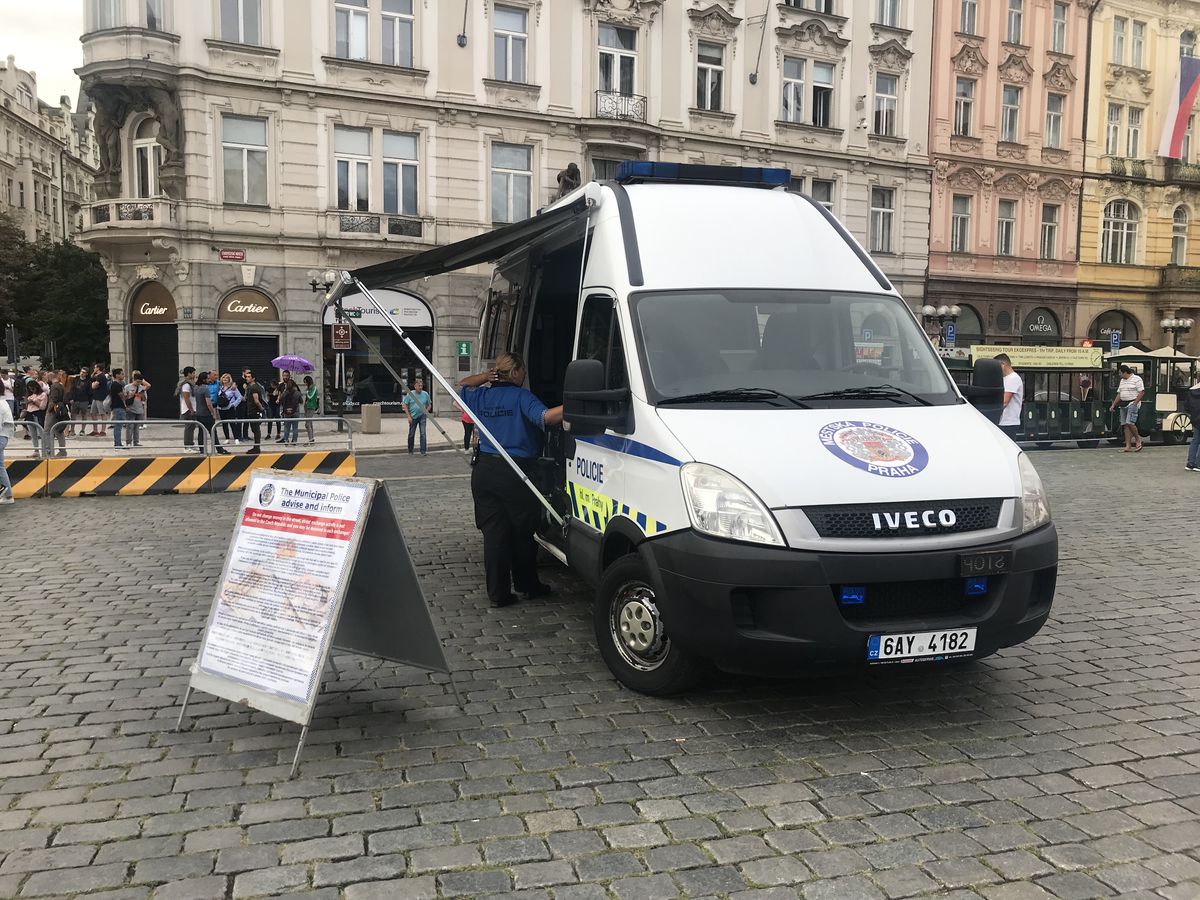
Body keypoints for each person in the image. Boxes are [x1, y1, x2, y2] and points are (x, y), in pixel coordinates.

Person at [458, 352, 563, 608]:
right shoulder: (521, 397)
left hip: (484, 471)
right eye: (522, 370)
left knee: (494, 535)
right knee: (522, 532)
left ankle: (498, 594)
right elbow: (545, 417)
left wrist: (485, 376)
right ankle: (527, 585)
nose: (524, 375)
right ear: (515, 372)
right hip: (516, 472)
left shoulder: (480, 396)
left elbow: (462, 385)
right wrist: (575, 405)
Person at [1110, 364, 1145, 452]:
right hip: (1123, 404)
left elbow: (1141, 392)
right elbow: (1119, 394)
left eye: (1120, 373)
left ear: (1125, 372)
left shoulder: (1137, 379)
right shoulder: (1122, 381)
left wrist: (1135, 403)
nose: (1119, 375)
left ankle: (1138, 440)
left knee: (1130, 422)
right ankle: (1128, 446)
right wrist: (1113, 405)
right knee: (1125, 425)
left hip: (1132, 403)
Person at [192, 371, 225, 455]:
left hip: (199, 413)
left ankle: (202, 449)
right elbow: (208, 403)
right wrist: (213, 413)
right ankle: (219, 449)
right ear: (204, 380)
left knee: (201, 432)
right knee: (213, 432)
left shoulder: (196, 388)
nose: (209, 380)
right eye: (207, 378)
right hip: (206, 414)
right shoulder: (205, 389)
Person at [994, 353, 1024, 441]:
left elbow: (1004, 402)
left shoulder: (1013, 378)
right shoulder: (1005, 379)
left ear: (1003, 364)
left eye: (996, 367)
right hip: (1003, 422)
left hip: (1008, 422)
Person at [42, 370, 68, 458]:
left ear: (51, 377)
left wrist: (48, 410)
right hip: (61, 410)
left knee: (47, 431)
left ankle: (49, 451)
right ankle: (62, 451)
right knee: (58, 431)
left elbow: (53, 400)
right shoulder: (61, 385)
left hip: (53, 411)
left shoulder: (54, 386)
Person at [403, 377, 431, 455]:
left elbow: (429, 404)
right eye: (419, 386)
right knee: (411, 433)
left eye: (421, 386)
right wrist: (408, 416)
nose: (420, 387)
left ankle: (423, 450)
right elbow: (405, 405)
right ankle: (410, 450)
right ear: (415, 386)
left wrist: (426, 411)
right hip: (413, 416)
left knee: (423, 433)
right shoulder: (410, 394)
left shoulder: (425, 394)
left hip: (422, 416)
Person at [242, 370, 267, 454]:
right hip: (251, 410)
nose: (247, 378)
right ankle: (256, 447)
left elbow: (256, 401)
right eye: (246, 377)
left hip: (254, 411)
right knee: (254, 429)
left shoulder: (254, 387)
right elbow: (245, 398)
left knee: (256, 429)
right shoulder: (250, 387)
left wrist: (262, 409)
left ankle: (257, 447)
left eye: (249, 377)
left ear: (253, 378)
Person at [216, 372, 242, 449]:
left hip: (229, 408)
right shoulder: (220, 388)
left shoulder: (233, 388)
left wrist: (233, 404)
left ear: (229, 379)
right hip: (221, 408)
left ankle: (236, 438)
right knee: (224, 424)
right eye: (223, 378)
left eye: (226, 378)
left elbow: (239, 397)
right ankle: (227, 438)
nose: (225, 379)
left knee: (232, 423)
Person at [177, 366, 200, 453]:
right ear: (189, 373)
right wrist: (191, 409)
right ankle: (187, 446)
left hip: (192, 408)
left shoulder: (191, 383)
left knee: (192, 427)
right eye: (193, 373)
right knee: (189, 427)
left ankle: (191, 444)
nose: (194, 375)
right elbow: (186, 398)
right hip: (188, 409)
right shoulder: (186, 385)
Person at [124, 371, 149, 446]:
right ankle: (128, 442)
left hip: (139, 409)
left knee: (136, 427)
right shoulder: (127, 387)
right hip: (130, 409)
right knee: (129, 426)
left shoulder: (142, 388)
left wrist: (142, 395)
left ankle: (136, 442)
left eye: (140, 382)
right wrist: (130, 397)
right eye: (137, 382)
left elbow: (144, 399)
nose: (138, 383)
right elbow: (124, 398)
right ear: (133, 380)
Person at [23, 380, 47, 455]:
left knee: (41, 433)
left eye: (33, 388)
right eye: (30, 389)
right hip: (29, 413)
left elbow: (43, 407)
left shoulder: (43, 394)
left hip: (38, 413)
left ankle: (45, 449)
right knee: (33, 434)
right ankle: (36, 450)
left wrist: (34, 402)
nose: (31, 390)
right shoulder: (30, 395)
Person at [108, 368, 130, 449]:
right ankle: (118, 444)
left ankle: (118, 443)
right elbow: (122, 397)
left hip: (116, 407)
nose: (123, 375)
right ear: (117, 375)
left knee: (118, 426)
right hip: (119, 407)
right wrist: (129, 395)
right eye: (122, 374)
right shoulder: (117, 385)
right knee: (119, 426)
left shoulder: (113, 384)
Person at [279, 374, 300, 444]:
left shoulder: (285, 393)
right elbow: (301, 401)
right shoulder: (297, 393)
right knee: (295, 427)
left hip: (286, 411)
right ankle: (294, 441)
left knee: (286, 427)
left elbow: (280, 400)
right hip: (296, 411)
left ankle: (286, 440)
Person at [1184, 378, 1200, 471]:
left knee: (1195, 440)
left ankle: (1190, 463)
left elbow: (1186, 406)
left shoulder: (1191, 390)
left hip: (1195, 418)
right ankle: (1198, 463)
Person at [88, 364, 108, 437]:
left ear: (98, 368)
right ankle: (95, 430)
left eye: (95, 367)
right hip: (95, 397)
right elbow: (91, 379)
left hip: (100, 397)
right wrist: (93, 373)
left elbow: (93, 386)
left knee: (102, 413)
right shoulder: (96, 376)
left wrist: (93, 384)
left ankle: (103, 431)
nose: (94, 368)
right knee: (92, 413)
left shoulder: (101, 376)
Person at [0, 394, 13, 503]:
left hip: (0, 436)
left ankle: (5, 491)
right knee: (0, 467)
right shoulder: (4, 402)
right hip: (3, 437)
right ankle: (8, 495)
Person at [69, 367, 90, 435]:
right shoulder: (75, 379)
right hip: (75, 400)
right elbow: (72, 389)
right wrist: (71, 398)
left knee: (84, 415)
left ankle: (82, 430)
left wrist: (89, 401)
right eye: (81, 371)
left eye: (84, 372)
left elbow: (89, 391)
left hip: (84, 400)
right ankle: (72, 430)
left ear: (86, 374)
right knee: (73, 415)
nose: (82, 373)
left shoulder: (88, 381)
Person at [302, 375, 319, 444]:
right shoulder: (309, 388)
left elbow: (310, 397)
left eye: (305, 382)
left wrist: (307, 392)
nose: (305, 384)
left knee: (307, 424)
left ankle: (311, 439)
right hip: (307, 407)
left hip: (311, 407)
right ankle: (311, 439)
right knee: (310, 423)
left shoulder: (314, 388)